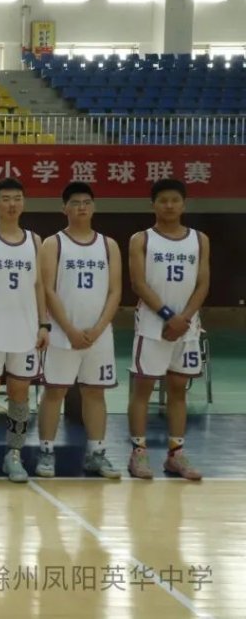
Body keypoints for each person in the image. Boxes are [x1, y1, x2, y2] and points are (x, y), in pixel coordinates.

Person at [35, 182, 122, 479]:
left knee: (95, 392)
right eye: (75, 203)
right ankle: (46, 451)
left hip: (99, 335)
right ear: (64, 209)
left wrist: (98, 329)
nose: (81, 207)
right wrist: (70, 329)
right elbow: (47, 289)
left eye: (86, 202)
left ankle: (96, 453)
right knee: (55, 391)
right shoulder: (53, 244)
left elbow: (115, 291)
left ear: (94, 207)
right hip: (63, 334)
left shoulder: (108, 245)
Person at [0, 177, 49, 484]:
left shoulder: (35, 241)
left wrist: (43, 323)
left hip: (25, 332)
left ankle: (14, 454)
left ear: (24, 202)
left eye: (17, 198)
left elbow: (39, 285)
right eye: (6, 198)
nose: (12, 204)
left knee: (19, 396)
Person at [127, 178, 209, 480]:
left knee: (178, 390)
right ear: (153, 205)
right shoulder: (141, 239)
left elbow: (203, 283)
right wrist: (167, 315)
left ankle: (176, 454)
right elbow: (138, 283)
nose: (169, 205)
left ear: (184, 204)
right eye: (163, 200)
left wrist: (183, 318)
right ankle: (138, 453)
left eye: (175, 200)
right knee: (143, 390)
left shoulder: (199, 239)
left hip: (186, 328)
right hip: (152, 326)